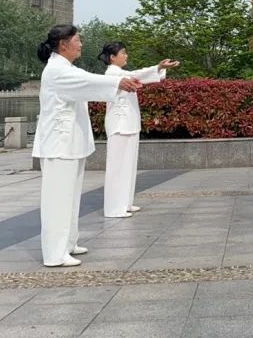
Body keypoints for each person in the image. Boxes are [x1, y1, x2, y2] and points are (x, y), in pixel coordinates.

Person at [34, 25, 142, 267]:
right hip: (58, 144)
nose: (81, 44)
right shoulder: (57, 70)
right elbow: (89, 81)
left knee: (70, 198)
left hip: (69, 143)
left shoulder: (66, 67)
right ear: (63, 44)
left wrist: (119, 83)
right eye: (77, 40)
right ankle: (54, 253)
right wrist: (117, 84)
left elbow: (86, 82)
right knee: (58, 201)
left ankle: (68, 243)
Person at [99, 42, 179, 219]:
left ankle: (125, 202)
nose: (126, 56)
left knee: (128, 165)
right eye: (123, 53)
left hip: (129, 123)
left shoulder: (121, 73)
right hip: (119, 125)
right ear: (112, 57)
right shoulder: (112, 73)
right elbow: (136, 75)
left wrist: (158, 69)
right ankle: (114, 208)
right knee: (117, 167)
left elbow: (137, 76)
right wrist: (157, 67)